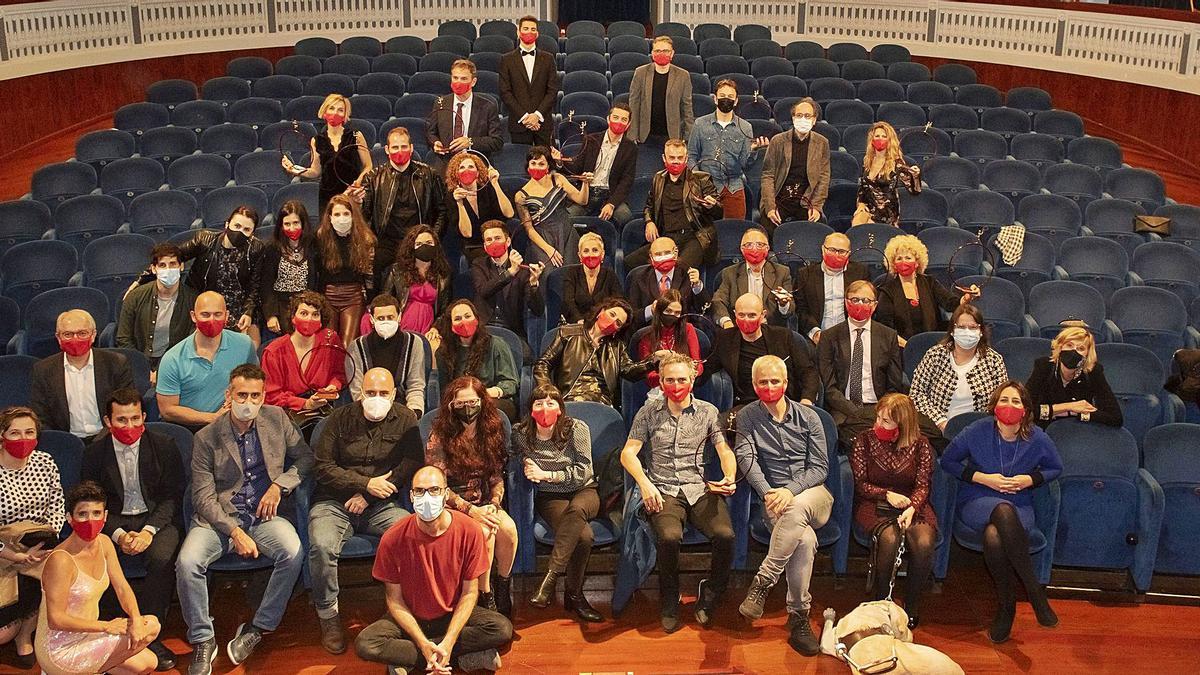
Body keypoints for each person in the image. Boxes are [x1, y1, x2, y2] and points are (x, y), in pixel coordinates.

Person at [176, 364, 313, 675]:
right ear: (229, 395)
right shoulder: (206, 437)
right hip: (219, 518)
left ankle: (259, 626)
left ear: (264, 396)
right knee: (187, 563)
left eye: (255, 395)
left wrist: (280, 485)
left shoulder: (277, 419)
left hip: (264, 515)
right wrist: (234, 532)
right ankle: (202, 638)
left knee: (293, 552)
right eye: (242, 395)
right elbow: (203, 497)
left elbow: (306, 458)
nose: (248, 401)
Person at [353, 465, 513, 673]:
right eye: (419, 491)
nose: (426, 497)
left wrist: (448, 641)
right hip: (410, 615)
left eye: (434, 490)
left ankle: (410, 660)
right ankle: (459, 657)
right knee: (366, 643)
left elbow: (469, 593)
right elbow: (394, 600)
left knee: (502, 629)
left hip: (452, 613)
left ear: (446, 494)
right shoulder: (392, 538)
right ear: (411, 496)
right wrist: (422, 642)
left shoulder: (470, 531)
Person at [309, 367, 423, 654]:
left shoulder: (406, 419)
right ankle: (328, 616)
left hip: (380, 505)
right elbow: (322, 467)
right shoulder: (338, 418)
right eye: (370, 393)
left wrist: (369, 495)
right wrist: (364, 483)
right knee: (322, 546)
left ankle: (404, 609)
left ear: (395, 394)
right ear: (360, 393)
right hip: (333, 502)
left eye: (383, 393)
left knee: (411, 535)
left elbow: (411, 463)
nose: (376, 398)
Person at [620, 354, 736, 632]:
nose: (676, 385)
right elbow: (628, 453)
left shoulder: (708, 411)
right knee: (669, 537)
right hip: (662, 488)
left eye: (681, 379)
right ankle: (669, 598)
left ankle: (711, 592)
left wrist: (729, 476)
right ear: (660, 382)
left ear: (692, 379)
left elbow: (723, 450)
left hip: (699, 486)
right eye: (669, 380)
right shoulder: (648, 412)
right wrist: (645, 484)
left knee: (725, 536)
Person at [940, 381, 1061, 643]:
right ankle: (1033, 592)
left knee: (995, 536)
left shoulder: (1037, 436)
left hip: (1020, 502)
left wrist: (1030, 480)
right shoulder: (978, 430)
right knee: (1002, 511)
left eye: (1016, 401)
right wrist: (983, 478)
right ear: (994, 406)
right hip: (978, 498)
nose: (1009, 406)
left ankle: (1007, 607)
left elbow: (1055, 467)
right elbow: (948, 461)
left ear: (1026, 409)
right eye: (1004, 400)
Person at [734, 355, 833, 655]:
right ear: (754, 385)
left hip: (814, 496)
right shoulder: (747, 417)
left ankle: (763, 580)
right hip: (773, 502)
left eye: (774, 381)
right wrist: (768, 492)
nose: (769, 386)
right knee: (803, 541)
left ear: (786, 383)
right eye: (762, 382)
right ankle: (799, 616)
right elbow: (746, 458)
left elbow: (820, 467)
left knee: (798, 506)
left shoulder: (809, 417)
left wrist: (789, 491)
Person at [81, 389, 183, 671]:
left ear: (145, 417)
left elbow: (172, 496)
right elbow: (92, 500)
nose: (129, 427)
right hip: (112, 521)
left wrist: (149, 531)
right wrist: (118, 533)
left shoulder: (164, 445)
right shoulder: (94, 453)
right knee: (98, 552)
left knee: (161, 557)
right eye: (121, 420)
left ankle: (150, 633)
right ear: (107, 420)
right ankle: (112, 630)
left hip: (156, 520)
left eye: (135, 419)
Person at [35, 481, 161, 675]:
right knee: (151, 626)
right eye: (82, 514)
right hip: (59, 650)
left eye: (96, 513)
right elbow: (56, 619)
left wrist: (135, 619)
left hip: (88, 635)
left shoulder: (104, 543)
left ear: (105, 516)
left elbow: (122, 587)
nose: (90, 520)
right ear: (70, 518)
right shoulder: (61, 560)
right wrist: (106, 626)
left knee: (148, 661)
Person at [425, 376, 518, 618]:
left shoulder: (492, 429)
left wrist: (495, 505)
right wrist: (472, 511)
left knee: (508, 529)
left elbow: (496, 476)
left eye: (473, 402)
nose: (468, 408)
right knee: (484, 532)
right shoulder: (440, 434)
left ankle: (503, 586)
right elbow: (438, 486)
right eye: (461, 403)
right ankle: (483, 597)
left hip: (485, 503)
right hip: (453, 505)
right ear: (451, 406)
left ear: (482, 402)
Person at [516, 385, 604, 623]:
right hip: (551, 496)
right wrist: (525, 463)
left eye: (551, 402)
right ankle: (574, 596)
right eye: (539, 403)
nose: (545, 408)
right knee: (584, 537)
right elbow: (512, 456)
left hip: (584, 490)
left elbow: (584, 470)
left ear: (560, 408)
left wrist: (548, 475)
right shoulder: (521, 433)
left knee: (577, 510)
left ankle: (550, 578)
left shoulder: (576, 428)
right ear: (530, 409)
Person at [849, 393, 937, 629]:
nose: (878, 424)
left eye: (886, 421)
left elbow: (922, 485)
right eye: (878, 418)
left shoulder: (921, 444)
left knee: (924, 542)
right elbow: (861, 484)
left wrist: (912, 507)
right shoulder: (863, 440)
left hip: (911, 503)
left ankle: (911, 605)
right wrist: (886, 494)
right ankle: (881, 602)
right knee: (889, 539)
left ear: (902, 423)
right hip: (875, 502)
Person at [0, 407, 63, 669]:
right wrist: (12, 555)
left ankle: (26, 635)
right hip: (4, 550)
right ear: (1, 435)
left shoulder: (45, 462)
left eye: (29, 432)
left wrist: (48, 539)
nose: (23, 438)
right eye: (14, 433)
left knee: (52, 570)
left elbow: (58, 504)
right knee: (2, 634)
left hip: (39, 547)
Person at [350, 127, 447, 289]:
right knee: (370, 266)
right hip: (385, 241)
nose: (399, 151)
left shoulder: (429, 174)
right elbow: (365, 216)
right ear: (387, 150)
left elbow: (442, 211)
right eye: (395, 147)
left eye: (404, 146)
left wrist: (432, 237)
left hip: (418, 240)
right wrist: (357, 204)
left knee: (440, 270)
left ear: (411, 148)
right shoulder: (373, 177)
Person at [817, 281, 907, 452]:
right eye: (855, 300)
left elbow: (894, 384)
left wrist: (881, 410)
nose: (860, 305)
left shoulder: (888, 336)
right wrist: (855, 411)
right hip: (843, 409)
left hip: (879, 408)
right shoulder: (829, 337)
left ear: (874, 306)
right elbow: (829, 388)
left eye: (866, 301)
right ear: (846, 302)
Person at [155, 292, 258, 432]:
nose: (212, 320)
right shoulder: (172, 359)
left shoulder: (245, 345)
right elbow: (167, 410)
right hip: (191, 429)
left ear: (227, 316)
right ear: (193, 316)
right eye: (205, 314)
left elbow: (256, 383)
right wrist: (212, 417)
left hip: (236, 424)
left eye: (217, 314)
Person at [30, 309, 135, 441]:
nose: (75, 339)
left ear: (93, 335)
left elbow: (126, 408)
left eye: (82, 333)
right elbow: (41, 416)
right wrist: (64, 442)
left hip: (109, 438)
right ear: (58, 338)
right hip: (66, 442)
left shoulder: (116, 363)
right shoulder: (43, 370)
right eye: (68, 334)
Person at [534, 298, 652, 409]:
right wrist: (548, 389)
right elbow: (543, 363)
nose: (612, 322)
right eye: (612, 314)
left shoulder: (617, 347)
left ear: (618, 330)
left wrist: (653, 361)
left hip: (602, 402)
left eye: (618, 323)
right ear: (601, 311)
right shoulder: (568, 333)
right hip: (569, 396)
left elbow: (630, 371)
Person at [910, 304, 1009, 435]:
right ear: (952, 330)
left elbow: (1003, 398)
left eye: (973, 327)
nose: (967, 331)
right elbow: (916, 393)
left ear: (981, 331)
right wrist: (939, 420)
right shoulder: (935, 354)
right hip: (937, 430)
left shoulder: (994, 360)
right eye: (961, 327)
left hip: (979, 431)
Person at [624, 139, 723, 271]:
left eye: (680, 158)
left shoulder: (701, 180)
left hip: (694, 238)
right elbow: (649, 206)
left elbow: (719, 213)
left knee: (678, 271)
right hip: (667, 237)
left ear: (686, 158)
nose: (676, 161)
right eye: (672, 157)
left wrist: (712, 205)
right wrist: (649, 222)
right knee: (629, 262)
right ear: (664, 158)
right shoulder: (658, 178)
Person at [176, 206, 266, 348]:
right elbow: (170, 256)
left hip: (239, 308)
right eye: (237, 226)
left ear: (252, 233)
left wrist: (248, 313)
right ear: (227, 224)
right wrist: (141, 280)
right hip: (209, 307)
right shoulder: (205, 239)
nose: (240, 232)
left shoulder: (256, 248)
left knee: (250, 347)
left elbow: (254, 286)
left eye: (246, 230)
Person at [707, 293, 818, 407]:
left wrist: (807, 400)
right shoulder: (724, 339)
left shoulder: (783, 337)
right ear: (735, 315)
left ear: (762, 315)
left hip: (783, 403)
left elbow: (808, 372)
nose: (746, 320)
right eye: (741, 315)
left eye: (752, 316)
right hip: (746, 406)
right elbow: (707, 368)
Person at [686, 79, 769, 219]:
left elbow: (745, 164)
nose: (726, 99)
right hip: (706, 189)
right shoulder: (700, 124)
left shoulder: (745, 127)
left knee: (734, 232)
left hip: (733, 188)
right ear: (715, 98)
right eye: (722, 96)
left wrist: (753, 150)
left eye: (730, 97)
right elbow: (692, 156)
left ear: (736, 101)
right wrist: (698, 181)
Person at [876, 234, 977, 346]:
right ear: (893, 264)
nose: (903, 262)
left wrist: (967, 298)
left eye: (908, 258)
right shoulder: (887, 290)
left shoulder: (929, 282)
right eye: (899, 258)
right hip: (901, 347)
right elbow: (885, 328)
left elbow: (950, 303)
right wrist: (908, 346)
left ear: (917, 262)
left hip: (932, 345)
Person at [427, 299, 519, 420]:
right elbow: (445, 390)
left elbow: (511, 382)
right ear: (451, 325)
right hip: (461, 402)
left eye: (468, 316)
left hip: (493, 399)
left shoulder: (496, 344)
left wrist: (486, 393)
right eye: (458, 319)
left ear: (476, 319)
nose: (464, 321)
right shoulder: (444, 352)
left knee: (481, 410)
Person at [280, 94, 372, 212]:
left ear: (345, 115)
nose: (335, 113)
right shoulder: (317, 140)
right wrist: (294, 169)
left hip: (353, 193)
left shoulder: (356, 136)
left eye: (340, 110)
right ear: (324, 112)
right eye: (332, 108)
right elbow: (315, 171)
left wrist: (358, 182)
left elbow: (368, 166)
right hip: (328, 196)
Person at [117, 243, 198, 375]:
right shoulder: (135, 297)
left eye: (173, 264)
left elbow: (192, 340)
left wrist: (162, 370)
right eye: (162, 265)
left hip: (177, 365)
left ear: (181, 266)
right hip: (138, 364)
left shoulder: (193, 299)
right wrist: (142, 368)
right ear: (153, 269)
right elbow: (123, 339)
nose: (168, 269)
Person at [260, 291, 345, 417]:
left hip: (324, 412)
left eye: (315, 315)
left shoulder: (331, 339)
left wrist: (333, 386)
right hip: (285, 416)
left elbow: (340, 374)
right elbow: (271, 396)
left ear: (321, 320)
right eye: (304, 313)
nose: (309, 319)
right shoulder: (274, 351)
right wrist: (305, 404)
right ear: (293, 318)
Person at [552, 102, 638, 225]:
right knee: (567, 218)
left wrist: (611, 204)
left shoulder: (631, 148)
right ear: (608, 119)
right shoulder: (591, 140)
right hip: (587, 193)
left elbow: (626, 181)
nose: (619, 122)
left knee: (625, 217)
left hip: (610, 195)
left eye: (624, 119)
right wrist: (560, 162)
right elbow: (577, 167)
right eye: (615, 118)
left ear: (628, 124)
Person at [346, 293, 428, 416]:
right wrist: (369, 414)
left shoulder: (414, 343)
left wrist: (413, 414)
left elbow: (415, 386)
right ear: (372, 320)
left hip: (403, 408)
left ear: (399, 317)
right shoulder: (356, 347)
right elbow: (357, 390)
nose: (386, 322)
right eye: (380, 318)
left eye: (390, 317)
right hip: (368, 409)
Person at [1026, 325, 1123, 428]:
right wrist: (1069, 407)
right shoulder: (1044, 366)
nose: (1074, 352)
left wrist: (1076, 413)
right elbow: (1025, 410)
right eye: (1069, 345)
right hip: (1044, 430)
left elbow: (1115, 418)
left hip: (1077, 432)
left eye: (1080, 348)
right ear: (1060, 347)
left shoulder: (1093, 372)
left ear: (1087, 355)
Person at [760, 98, 831, 235]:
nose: (803, 119)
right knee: (768, 227)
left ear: (814, 120)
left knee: (816, 229)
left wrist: (816, 207)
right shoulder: (778, 141)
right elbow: (767, 176)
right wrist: (770, 207)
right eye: (799, 115)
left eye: (807, 116)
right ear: (793, 118)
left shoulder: (822, 143)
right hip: (779, 199)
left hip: (806, 200)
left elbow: (824, 177)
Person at [314, 195, 376, 349]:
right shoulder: (321, 237)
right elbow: (318, 273)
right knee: (328, 344)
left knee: (347, 344)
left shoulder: (365, 239)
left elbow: (369, 275)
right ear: (329, 217)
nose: (342, 218)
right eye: (337, 214)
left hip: (353, 296)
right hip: (328, 295)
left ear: (353, 215)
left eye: (346, 214)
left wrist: (370, 301)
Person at [515, 146, 590, 269]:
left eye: (541, 164)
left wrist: (586, 183)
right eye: (533, 163)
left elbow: (582, 200)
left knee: (572, 272)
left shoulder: (558, 179)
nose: (537, 167)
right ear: (528, 166)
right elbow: (529, 229)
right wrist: (549, 250)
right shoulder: (521, 196)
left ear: (548, 166)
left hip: (567, 234)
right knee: (547, 273)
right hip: (542, 239)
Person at [424, 59, 503, 175]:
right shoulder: (440, 103)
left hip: (476, 166)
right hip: (446, 166)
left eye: (464, 79)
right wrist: (435, 143)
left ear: (473, 82)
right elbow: (430, 133)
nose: (458, 82)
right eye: (455, 78)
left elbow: (497, 141)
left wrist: (470, 142)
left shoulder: (488, 106)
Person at [470, 220, 545, 340]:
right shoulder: (479, 264)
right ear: (484, 246)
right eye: (489, 240)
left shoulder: (523, 270)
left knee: (525, 354)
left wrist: (534, 283)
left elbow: (538, 310)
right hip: (484, 329)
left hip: (510, 331)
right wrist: (510, 272)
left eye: (498, 238)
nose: (493, 243)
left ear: (508, 241)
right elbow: (484, 291)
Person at [711, 227, 795, 329]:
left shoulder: (782, 272)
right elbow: (718, 301)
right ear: (742, 249)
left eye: (760, 245)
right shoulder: (730, 273)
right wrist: (726, 322)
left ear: (767, 248)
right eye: (749, 245)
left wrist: (783, 305)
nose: (754, 249)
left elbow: (790, 310)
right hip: (739, 330)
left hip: (770, 332)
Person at [793, 232, 869, 343]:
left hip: (851, 335)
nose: (837, 254)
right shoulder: (806, 274)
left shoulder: (860, 272)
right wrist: (815, 333)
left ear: (849, 253)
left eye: (842, 251)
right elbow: (801, 310)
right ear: (823, 249)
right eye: (832, 250)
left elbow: (865, 306)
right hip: (816, 335)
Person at [377, 225, 452, 336]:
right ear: (411, 247)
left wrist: (436, 328)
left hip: (430, 328)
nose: (424, 247)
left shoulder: (443, 274)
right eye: (419, 244)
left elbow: (445, 309)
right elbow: (386, 300)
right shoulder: (397, 270)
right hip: (400, 325)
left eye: (429, 243)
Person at [260, 200, 317, 339]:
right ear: (281, 225)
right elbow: (266, 284)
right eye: (287, 224)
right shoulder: (272, 248)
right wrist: (270, 315)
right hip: (281, 306)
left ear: (303, 223)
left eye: (296, 223)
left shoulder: (313, 245)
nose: (292, 228)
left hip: (306, 305)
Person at [498, 16, 559, 146]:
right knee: (520, 163)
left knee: (546, 163)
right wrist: (526, 117)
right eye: (525, 29)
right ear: (519, 32)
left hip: (543, 124)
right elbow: (505, 92)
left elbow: (552, 91)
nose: (529, 32)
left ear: (537, 34)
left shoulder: (548, 59)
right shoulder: (507, 60)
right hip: (519, 124)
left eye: (533, 29)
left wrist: (537, 115)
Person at [445, 151, 514, 262]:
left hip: (497, 241)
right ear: (456, 174)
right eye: (462, 167)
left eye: (471, 167)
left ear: (477, 173)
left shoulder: (488, 188)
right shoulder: (452, 196)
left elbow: (509, 213)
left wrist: (496, 184)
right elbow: (467, 233)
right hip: (473, 247)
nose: (467, 170)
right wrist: (460, 203)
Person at [626, 236, 709, 328]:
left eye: (667, 253)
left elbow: (704, 310)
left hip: (681, 331)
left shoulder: (687, 275)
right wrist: (651, 311)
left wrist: (697, 286)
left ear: (676, 253)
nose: (663, 258)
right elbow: (632, 316)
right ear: (651, 257)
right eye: (658, 254)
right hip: (650, 331)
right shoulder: (639, 277)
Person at [627, 36, 694, 146]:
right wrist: (632, 135)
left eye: (665, 51)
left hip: (672, 136)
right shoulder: (640, 73)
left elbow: (687, 108)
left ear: (672, 53)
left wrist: (688, 137)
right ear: (652, 53)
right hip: (645, 136)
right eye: (657, 51)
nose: (661, 53)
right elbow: (634, 104)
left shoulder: (683, 75)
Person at [852, 122, 921, 227]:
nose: (880, 139)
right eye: (877, 136)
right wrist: (860, 204)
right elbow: (863, 188)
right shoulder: (867, 161)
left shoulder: (896, 164)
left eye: (884, 137)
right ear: (872, 139)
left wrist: (915, 176)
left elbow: (914, 190)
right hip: (868, 210)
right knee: (857, 224)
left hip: (887, 213)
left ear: (889, 140)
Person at [637, 290, 702, 391]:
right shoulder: (647, 335)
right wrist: (669, 377)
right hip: (658, 389)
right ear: (659, 311)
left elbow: (698, 364)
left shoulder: (688, 329)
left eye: (677, 313)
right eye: (668, 311)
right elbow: (648, 375)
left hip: (684, 386)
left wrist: (689, 373)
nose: (672, 315)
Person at [560, 233, 622, 325]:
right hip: (576, 325)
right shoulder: (571, 273)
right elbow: (568, 302)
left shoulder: (610, 276)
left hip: (603, 325)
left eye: (595, 250)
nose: (590, 255)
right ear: (580, 255)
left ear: (602, 254)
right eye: (586, 251)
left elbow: (617, 302)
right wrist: (580, 321)